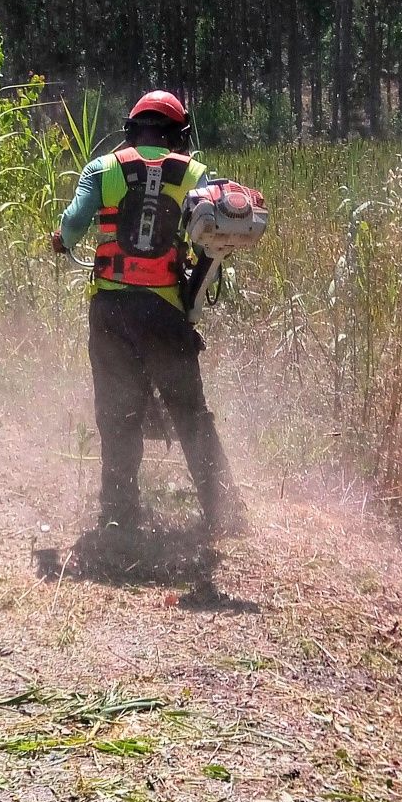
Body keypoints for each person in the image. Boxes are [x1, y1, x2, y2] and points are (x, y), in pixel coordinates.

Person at [52, 90, 245, 538]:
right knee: (191, 412)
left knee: (118, 417)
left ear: (131, 129)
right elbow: (211, 242)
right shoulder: (197, 175)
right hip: (165, 314)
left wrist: (60, 239)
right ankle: (223, 512)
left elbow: (71, 225)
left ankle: (119, 516)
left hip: (111, 314)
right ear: (179, 133)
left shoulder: (101, 170)